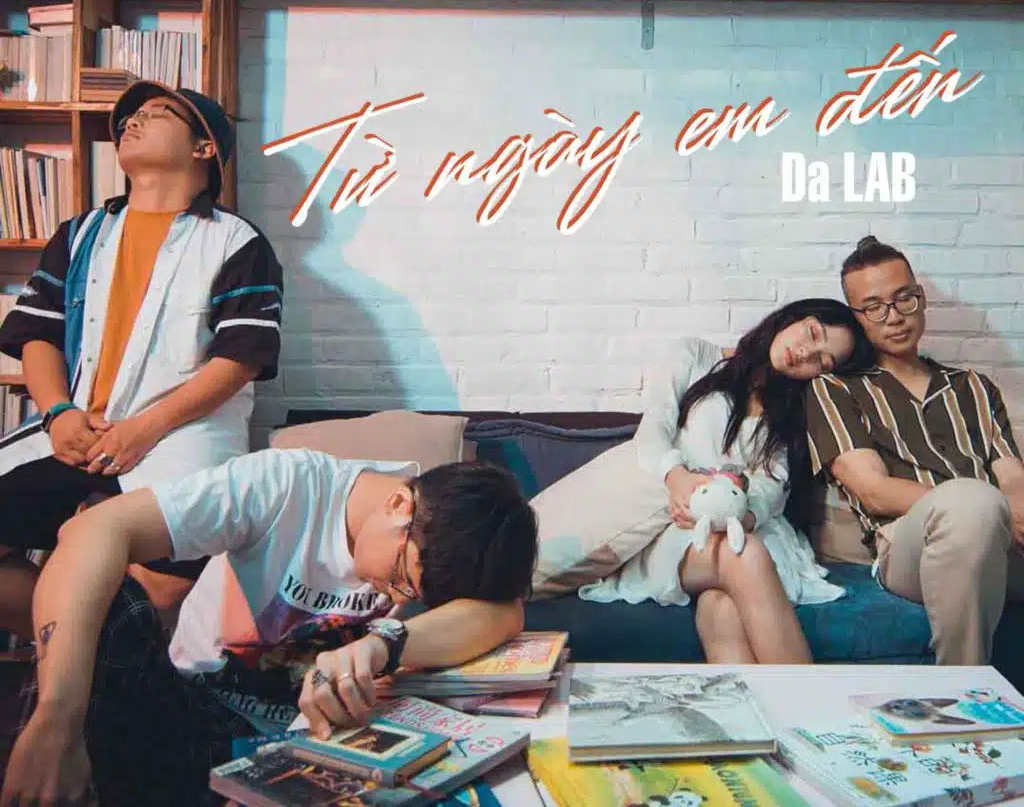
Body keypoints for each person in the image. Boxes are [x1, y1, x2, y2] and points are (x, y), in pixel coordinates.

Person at [0, 450, 538, 806]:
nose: (396, 599)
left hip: (319, 749)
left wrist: (384, 644)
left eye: (411, 597)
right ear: (398, 504)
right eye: (400, 577)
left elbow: (505, 613)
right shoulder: (287, 486)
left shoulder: (449, 540)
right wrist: (56, 718)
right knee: (119, 606)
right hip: (191, 716)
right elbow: (95, 529)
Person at [0, 80, 284, 637]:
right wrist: (58, 412)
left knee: (162, 591)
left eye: (158, 113)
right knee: (96, 592)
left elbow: (240, 359)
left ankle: (90, 657)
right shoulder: (80, 234)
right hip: (77, 433)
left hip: (179, 439)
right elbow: (38, 334)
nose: (132, 120)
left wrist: (145, 429)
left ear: (204, 148)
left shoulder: (237, 242)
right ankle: (100, 652)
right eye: (129, 116)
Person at [578, 299, 875, 665]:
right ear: (793, 317)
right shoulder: (694, 357)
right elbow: (653, 429)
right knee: (744, 554)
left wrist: (744, 515)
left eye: (821, 361)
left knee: (722, 606)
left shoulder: (794, 408)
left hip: (749, 525)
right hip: (678, 527)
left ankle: (753, 705)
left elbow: (773, 484)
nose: (804, 353)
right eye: (812, 333)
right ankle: (808, 698)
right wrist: (677, 477)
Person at [806, 235, 1024, 667]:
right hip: (906, 546)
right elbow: (874, 491)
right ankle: (964, 687)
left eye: (904, 298)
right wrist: (985, 506)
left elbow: (1012, 474)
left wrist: (1011, 508)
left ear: (920, 299)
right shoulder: (835, 388)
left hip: (997, 540)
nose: (894, 317)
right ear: (856, 317)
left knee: (980, 508)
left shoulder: (974, 387)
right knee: (971, 504)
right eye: (874, 307)